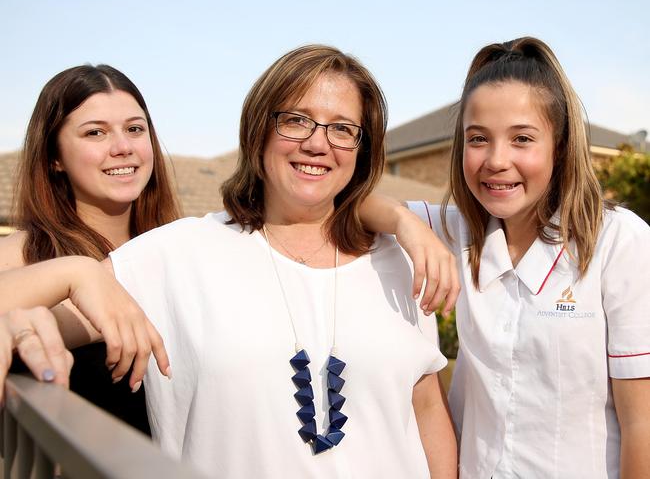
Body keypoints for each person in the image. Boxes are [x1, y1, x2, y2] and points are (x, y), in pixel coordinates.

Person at [0, 45, 458, 478]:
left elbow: (426, 409)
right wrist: (77, 271)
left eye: (342, 128)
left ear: (361, 150)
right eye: (296, 120)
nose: (319, 144)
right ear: (258, 130)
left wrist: (398, 218)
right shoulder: (175, 254)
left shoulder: (401, 259)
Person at [360, 36, 650, 478]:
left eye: (522, 139)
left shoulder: (618, 242)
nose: (496, 160)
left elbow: (641, 423)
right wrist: (405, 224)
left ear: (560, 144)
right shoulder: (456, 229)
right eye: (478, 139)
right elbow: (355, 204)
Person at [0, 64, 180, 434]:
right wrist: (76, 272)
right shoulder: (23, 253)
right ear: (55, 157)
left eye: (135, 129)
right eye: (95, 132)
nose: (122, 147)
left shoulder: (181, 249)